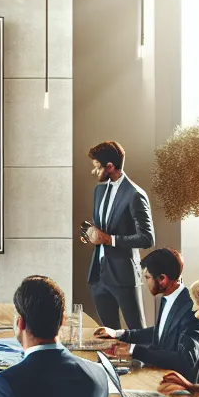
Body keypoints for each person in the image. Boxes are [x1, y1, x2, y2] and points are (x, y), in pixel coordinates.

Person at [81, 140, 154, 330]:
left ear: (110, 166)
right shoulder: (99, 190)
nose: (93, 172)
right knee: (108, 335)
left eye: (97, 167)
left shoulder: (135, 194)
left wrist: (108, 239)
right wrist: (89, 232)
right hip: (98, 276)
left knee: (137, 333)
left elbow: (147, 238)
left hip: (124, 277)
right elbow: (102, 225)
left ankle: (142, 362)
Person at [94, 248, 199, 374]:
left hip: (173, 382)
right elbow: (161, 332)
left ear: (162, 279)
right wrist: (119, 334)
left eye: (147, 277)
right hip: (156, 371)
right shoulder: (169, 297)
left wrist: (133, 350)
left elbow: (185, 360)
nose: (145, 282)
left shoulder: (191, 308)